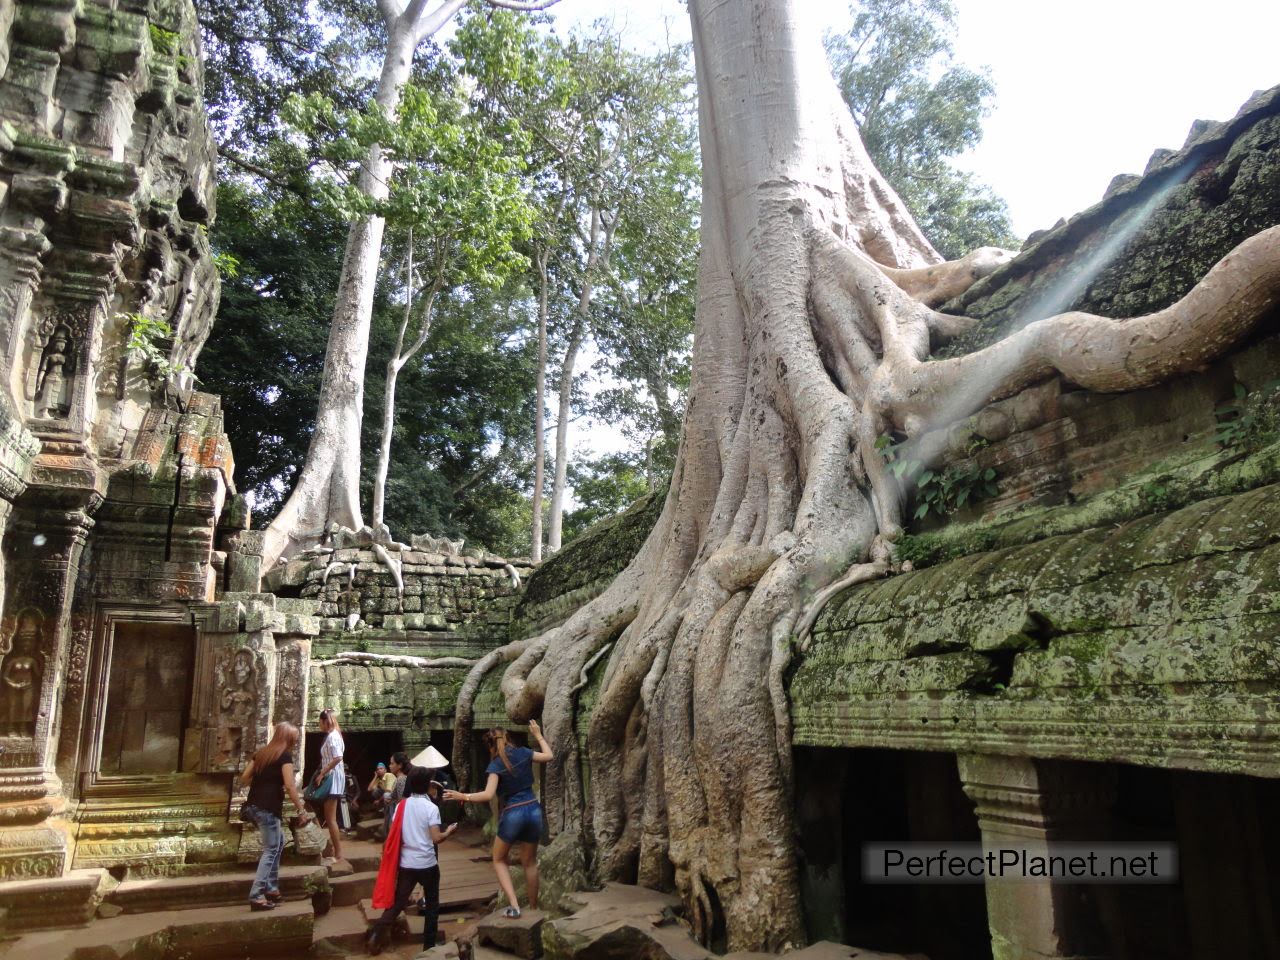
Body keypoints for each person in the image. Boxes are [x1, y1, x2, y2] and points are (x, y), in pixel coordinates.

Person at [444, 720, 553, 918]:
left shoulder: (495, 765)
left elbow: (487, 795)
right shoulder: (524, 752)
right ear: (507, 738)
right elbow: (549, 755)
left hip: (514, 813)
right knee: (529, 862)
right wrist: (538, 735)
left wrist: (463, 796)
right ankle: (535, 909)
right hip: (534, 810)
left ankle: (515, 906)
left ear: (490, 745)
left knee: (499, 859)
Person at [366, 767, 458, 955]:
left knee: (398, 903)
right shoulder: (431, 808)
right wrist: (449, 831)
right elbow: (436, 838)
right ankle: (429, 947)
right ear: (427, 785)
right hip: (427, 864)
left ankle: (376, 935)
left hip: (407, 863)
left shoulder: (401, 806)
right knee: (432, 905)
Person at [240, 722, 312, 911]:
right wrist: (301, 809)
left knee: (278, 841)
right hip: (269, 808)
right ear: (288, 738)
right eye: (294, 739)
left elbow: (245, 778)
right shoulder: (284, 756)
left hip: (253, 805)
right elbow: (289, 785)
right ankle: (256, 895)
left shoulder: (262, 753)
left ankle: (271, 888)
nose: (295, 742)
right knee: (271, 849)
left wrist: (263, 784)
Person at [313, 707, 346, 862]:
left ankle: (337, 851)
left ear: (325, 721)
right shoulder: (335, 735)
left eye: (320, 721)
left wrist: (322, 773)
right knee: (327, 815)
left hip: (331, 778)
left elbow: (338, 757)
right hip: (332, 777)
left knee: (330, 817)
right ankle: (331, 847)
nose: (319, 724)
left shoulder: (333, 737)